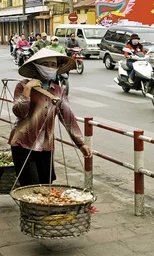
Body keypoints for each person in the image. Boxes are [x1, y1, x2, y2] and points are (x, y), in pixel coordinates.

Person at [9, 48, 92, 186]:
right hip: (23, 143)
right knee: (31, 186)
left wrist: (81, 143)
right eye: (46, 64)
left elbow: (68, 118)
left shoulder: (58, 91)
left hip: (46, 145)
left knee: (46, 183)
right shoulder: (22, 86)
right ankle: (29, 207)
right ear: (37, 66)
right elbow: (19, 112)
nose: (50, 68)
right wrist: (28, 89)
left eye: (53, 65)